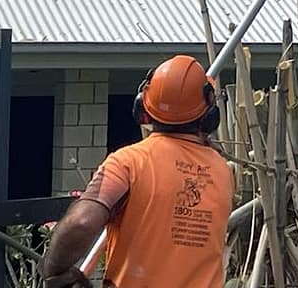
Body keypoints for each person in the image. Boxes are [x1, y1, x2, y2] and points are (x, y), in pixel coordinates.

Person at [41, 56, 236, 288]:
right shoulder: (222, 171)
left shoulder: (127, 163)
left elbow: (82, 222)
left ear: (142, 106)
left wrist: (53, 272)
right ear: (209, 114)